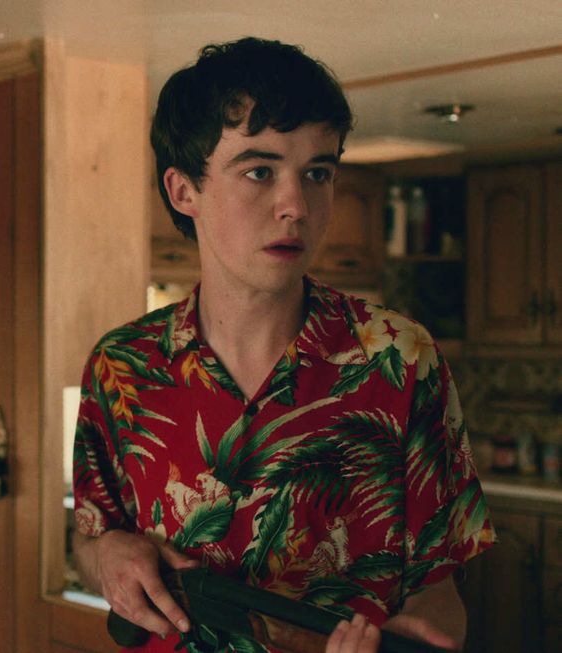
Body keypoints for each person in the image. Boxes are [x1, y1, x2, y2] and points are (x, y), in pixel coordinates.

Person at [72, 38, 494, 653]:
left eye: (317, 173)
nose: (296, 206)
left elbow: (441, 594)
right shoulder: (122, 365)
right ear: (184, 190)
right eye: (259, 171)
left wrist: (414, 643)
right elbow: (90, 539)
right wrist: (106, 553)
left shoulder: (400, 358)